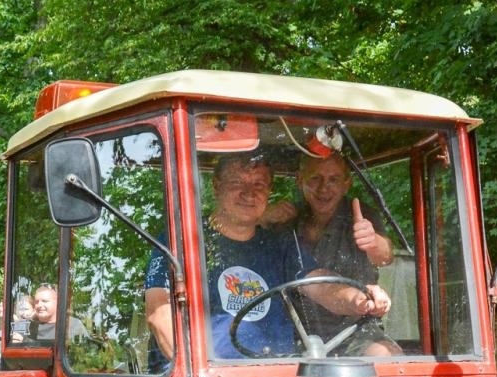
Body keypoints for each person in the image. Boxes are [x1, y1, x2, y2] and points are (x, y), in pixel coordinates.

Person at [147, 153, 368, 363]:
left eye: (259, 185)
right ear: (216, 186)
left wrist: (359, 299)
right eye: (236, 182)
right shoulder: (179, 240)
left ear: (269, 191)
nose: (249, 193)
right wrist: (197, 372)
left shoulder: (281, 245)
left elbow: (321, 285)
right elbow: (160, 313)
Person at [264, 154, 399, 355]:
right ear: (300, 179)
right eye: (315, 178)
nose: (324, 188)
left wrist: (373, 241)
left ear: (346, 184)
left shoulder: (362, 215)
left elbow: (385, 256)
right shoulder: (285, 219)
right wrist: (261, 218)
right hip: (298, 333)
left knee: (383, 354)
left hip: (357, 328)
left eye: (334, 179)